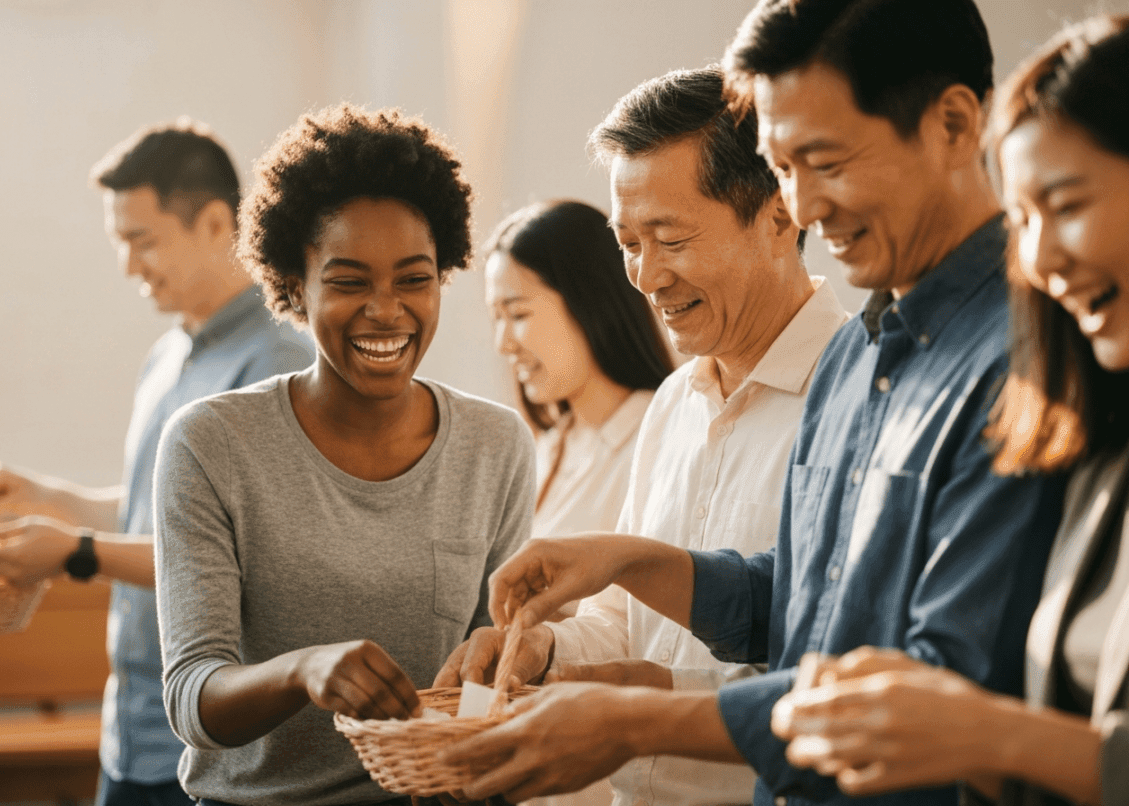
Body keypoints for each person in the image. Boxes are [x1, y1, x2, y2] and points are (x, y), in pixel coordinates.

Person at [439, 3, 1068, 806]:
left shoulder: (1030, 360)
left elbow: (939, 689)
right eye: (783, 167)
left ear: (952, 125)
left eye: (824, 161)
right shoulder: (856, 358)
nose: (802, 207)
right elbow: (805, 604)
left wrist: (635, 715)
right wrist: (627, 563)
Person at [436, 66, 848, 806]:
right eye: (628, 243)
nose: (646, 276)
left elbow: (830, 670)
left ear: (780, 217)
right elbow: (628, 622)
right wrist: (546, 649)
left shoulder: (855, 396)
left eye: (671, 239)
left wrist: (636, 702)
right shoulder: (673, 403)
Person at [767, 14, 1129, 806]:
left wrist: (986, 734)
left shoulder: (1021, 372)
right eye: (1022, 219)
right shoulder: (1103, 448)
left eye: (1065, 204)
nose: (1038, 261)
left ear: (952, 125)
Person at [153, 103, 535, 806]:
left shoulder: (495, 445)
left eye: (413, 279)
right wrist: (303, 671)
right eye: (349, 281)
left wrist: (471, 755)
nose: (386, 310)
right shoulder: (211, 442)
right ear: (294, 285)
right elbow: (192, 698)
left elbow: (489, 668)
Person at [0, 122, 314, 806]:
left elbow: (240, 558)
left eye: (142, 240)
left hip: (212, 745)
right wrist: (49, 496)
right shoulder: (167, 357)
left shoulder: (276, 363)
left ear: (215, 223)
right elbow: (155, 515)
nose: (129, 266)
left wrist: (74, 551)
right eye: (121, 242)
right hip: (130, 732)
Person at [484, 200, 671, 562]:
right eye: (496, 318)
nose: (503, 344)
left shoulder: (658, 443)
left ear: (588, 301)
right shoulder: (545, 448)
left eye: (518, 314)